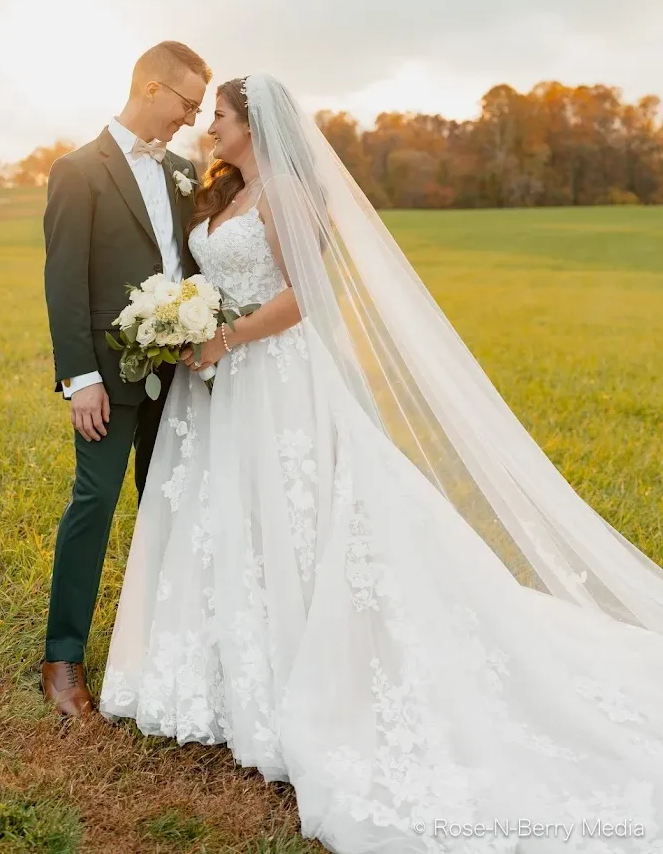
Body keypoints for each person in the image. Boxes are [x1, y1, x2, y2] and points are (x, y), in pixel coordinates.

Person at [99, 73, 663, 852]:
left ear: (252, 122)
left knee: (302, 515)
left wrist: (221, 336)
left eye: (220, 116)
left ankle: (310, 663)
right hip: (220, 382)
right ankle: (231, 665)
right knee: (231, 516)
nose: (210, 127)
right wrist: (186, 322)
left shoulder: (288, 192)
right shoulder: (225, 190)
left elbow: (304, 296)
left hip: (275, 376)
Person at [41, 41, 211, 716]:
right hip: (107, 379)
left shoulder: (182, 169)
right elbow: (64, 283)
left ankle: (160, 653)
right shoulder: (77, 171)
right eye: (186, 103)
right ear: (149, 88)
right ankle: (62, 658)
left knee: (168, 505)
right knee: (94, 505)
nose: (191, 119)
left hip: (180, 378)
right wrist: (81, 378)